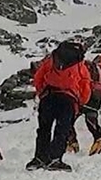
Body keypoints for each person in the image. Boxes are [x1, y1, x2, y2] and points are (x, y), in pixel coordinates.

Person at [29, 39, 92, 172]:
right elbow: (85, 87)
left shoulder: (51, 60)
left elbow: (38, 77)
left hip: (48, 96)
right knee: (62, 130)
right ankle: (55, 159)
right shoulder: (81, 66)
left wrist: (42, 93)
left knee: (44, 128)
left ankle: (40, 158)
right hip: (68, 99)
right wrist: (80, 102)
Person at [67, 58, 101, 155]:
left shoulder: (76, 67)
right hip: (97, 95)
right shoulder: (95, 67)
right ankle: (99, 138)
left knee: (69, 120)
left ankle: (72, 142)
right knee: (91, 120)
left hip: (82, 96)